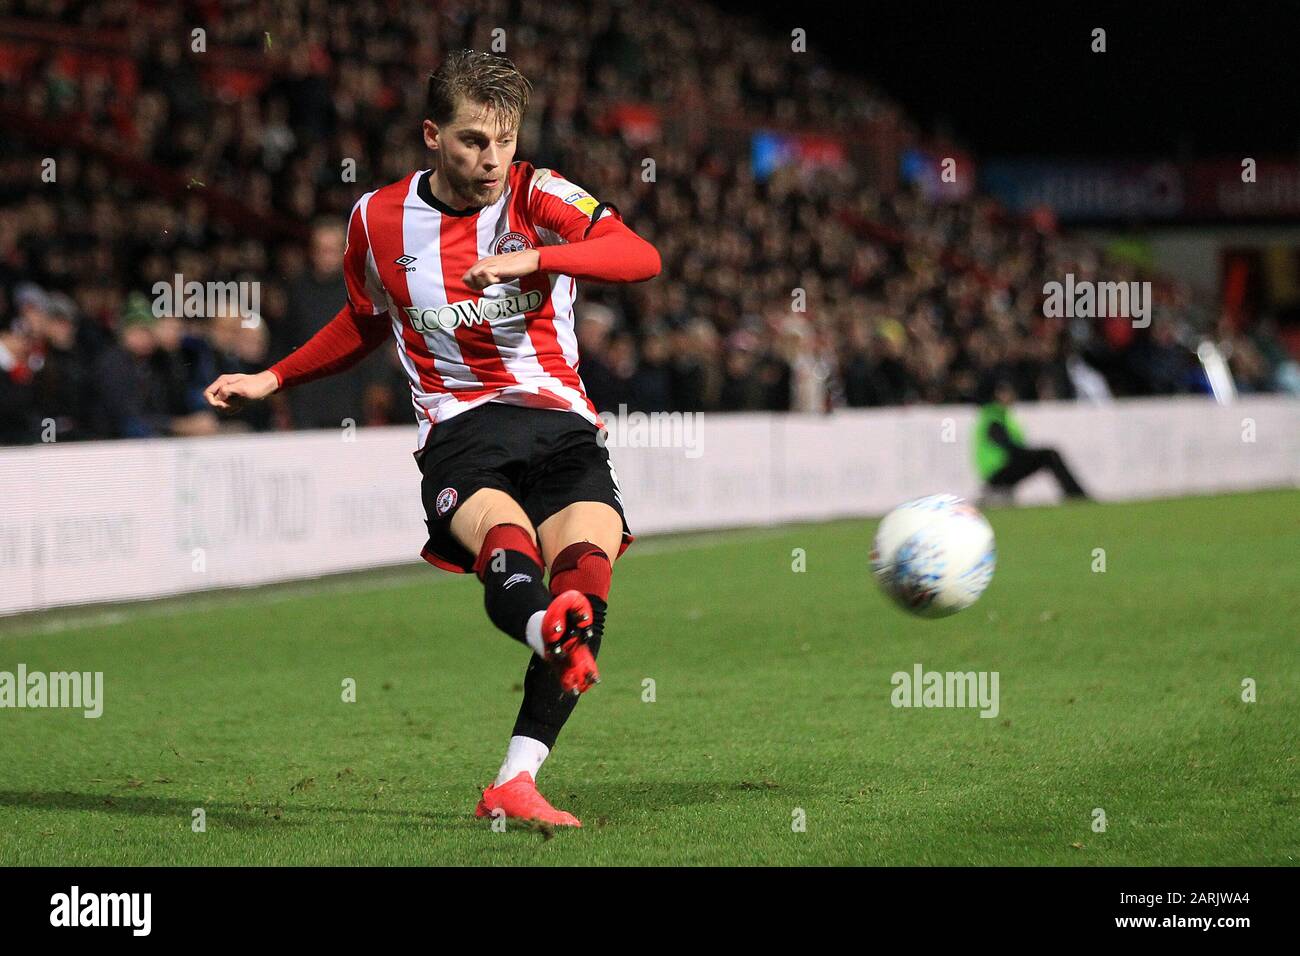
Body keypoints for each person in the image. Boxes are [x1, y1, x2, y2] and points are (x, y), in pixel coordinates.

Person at [203, 50, 660, 828]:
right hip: (463, 428)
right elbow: (363, 320)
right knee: (510, 553)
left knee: (586, 582)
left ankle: (516, 780)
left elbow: (638, 257)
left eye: (505, 142)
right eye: (475, 141)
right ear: (431, 135)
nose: (492, 160)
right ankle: (542, 625)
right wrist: (272, 378)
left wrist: (535, 256)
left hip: (562, 424)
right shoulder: (377, 219)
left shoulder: (539, 194)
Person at [973, 377, 1091, 504]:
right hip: (997, 470)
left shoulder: (997, 415)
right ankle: (1076, 495)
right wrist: (1028, 454)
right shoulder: (994, 418)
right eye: (1008, 392)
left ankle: (1075, 495)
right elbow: (1008, 446)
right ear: (997, 394)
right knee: (1049, 455)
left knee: (1048, 455)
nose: (1012, 395)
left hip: (998, 469)